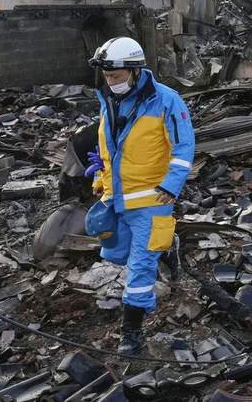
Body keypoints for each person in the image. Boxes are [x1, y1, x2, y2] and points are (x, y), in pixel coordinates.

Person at [83, 36, 194, 354]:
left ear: (133, 71)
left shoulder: (166, 101)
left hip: (152, 200)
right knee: (116, 256)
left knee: (140, 269)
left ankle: (131, 333)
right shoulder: (109, 101)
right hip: (117, 199)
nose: (110, 81)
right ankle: (167, 248)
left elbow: (183, 148)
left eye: (115, 75)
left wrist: (170, 186)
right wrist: (103, 179)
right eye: (106, 75)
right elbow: (112, 148)